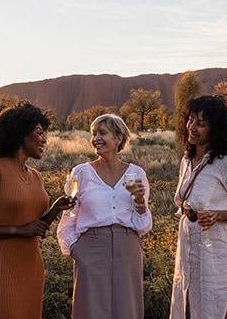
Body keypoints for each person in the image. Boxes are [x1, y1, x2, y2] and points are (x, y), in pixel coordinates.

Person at [0, 100, 74, 319]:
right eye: (39, 133)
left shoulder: (35, 176)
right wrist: (18, 230)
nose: (44, 139)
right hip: (0, 268)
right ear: (19, 135)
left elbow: (34, 227)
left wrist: (54, 210)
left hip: (32, 267)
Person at [56, 114, 153, 319]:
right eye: (94, 134)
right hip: (90, 247)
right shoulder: (80, 173)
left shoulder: (136, 174)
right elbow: (69, 216)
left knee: (127, 309)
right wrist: (76, 249)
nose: (96, 139)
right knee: (90, 310)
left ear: (118, 139)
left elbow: (142, 225)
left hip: (127, 248)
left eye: (103, 133)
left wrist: (141, 204)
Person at [170, 96, 227, 319]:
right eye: (190, 120)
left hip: (215, 250)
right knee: (187, 302)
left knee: (216, 301)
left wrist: (218, 215)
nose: (192, 127)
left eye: (201, 123)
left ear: (215, 128)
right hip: (188, 245)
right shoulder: (186, 161)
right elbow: (183, 203)